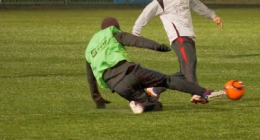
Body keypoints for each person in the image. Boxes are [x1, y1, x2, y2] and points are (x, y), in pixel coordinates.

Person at [85, 16, 226, 114]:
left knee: (156, 106)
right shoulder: (113, 33)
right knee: (167, 80)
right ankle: (204, 93)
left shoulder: (89, 50)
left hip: (119, 87)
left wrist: (98, 100)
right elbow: (136, 41)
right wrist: (158, 47)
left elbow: (91, 79)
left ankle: (140, 104)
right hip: (132, 72)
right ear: (116, 28)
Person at [132, 0, 224, 103]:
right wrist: (135, 35)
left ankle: (155, 90)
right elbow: (144, 15)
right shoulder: (161, 0)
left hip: (189, 36)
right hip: (178, 38)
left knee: (184, 71)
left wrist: (212, 16)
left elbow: (197, 5)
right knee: (190, 63)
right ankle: (196, 94)